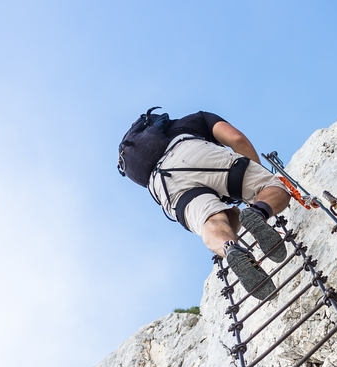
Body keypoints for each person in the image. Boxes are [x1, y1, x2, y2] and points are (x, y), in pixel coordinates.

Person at [122, 110, 291, 300]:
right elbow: (237, 139)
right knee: (273, 187)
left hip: (162, 185)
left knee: (212, 219)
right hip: (191, 151)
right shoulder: (194, 120)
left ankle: (229, 248)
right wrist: (253, 190)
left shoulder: (142, 160)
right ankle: (258, 213)